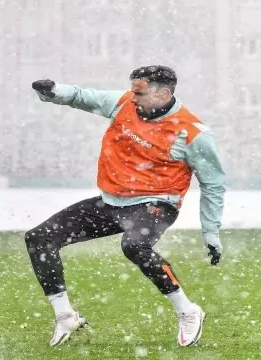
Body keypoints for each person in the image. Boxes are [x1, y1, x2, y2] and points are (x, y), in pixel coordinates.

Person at [27, 65, 225, 347]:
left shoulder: (193, 133)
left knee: (134, 246)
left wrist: (211, 231)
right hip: (112, 203)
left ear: (164, 94)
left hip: (156, 205)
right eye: (132, 90)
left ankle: (188, 310)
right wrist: (55, 90)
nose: (132, 97)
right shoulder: (122, 103)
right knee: (39, 238)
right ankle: (65, 315)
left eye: (139, 93)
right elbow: (84, 97)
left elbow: (213, 184)